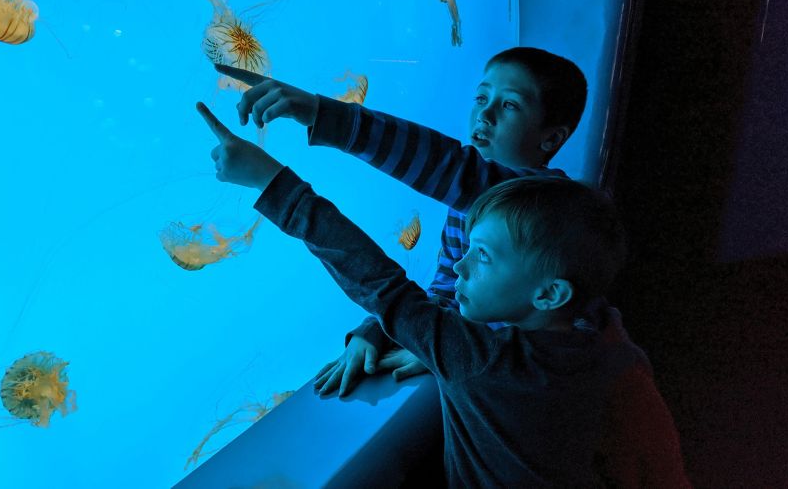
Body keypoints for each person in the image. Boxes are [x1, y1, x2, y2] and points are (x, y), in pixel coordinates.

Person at [193, 100, 679, 485]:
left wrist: (271, 181)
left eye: (482, 256)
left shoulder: (482, 359)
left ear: (550, 294)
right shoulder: (608, 340)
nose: (460, 265)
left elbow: (381, 285)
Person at [213, 47, 588, 399]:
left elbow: (453, 169)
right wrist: (379, 330)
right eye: (481, 97)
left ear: (551, 138)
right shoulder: (465, 209)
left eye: (509, 105)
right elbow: (449, 287)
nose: (484, 115)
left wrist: (321, 115)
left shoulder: (552, 207)